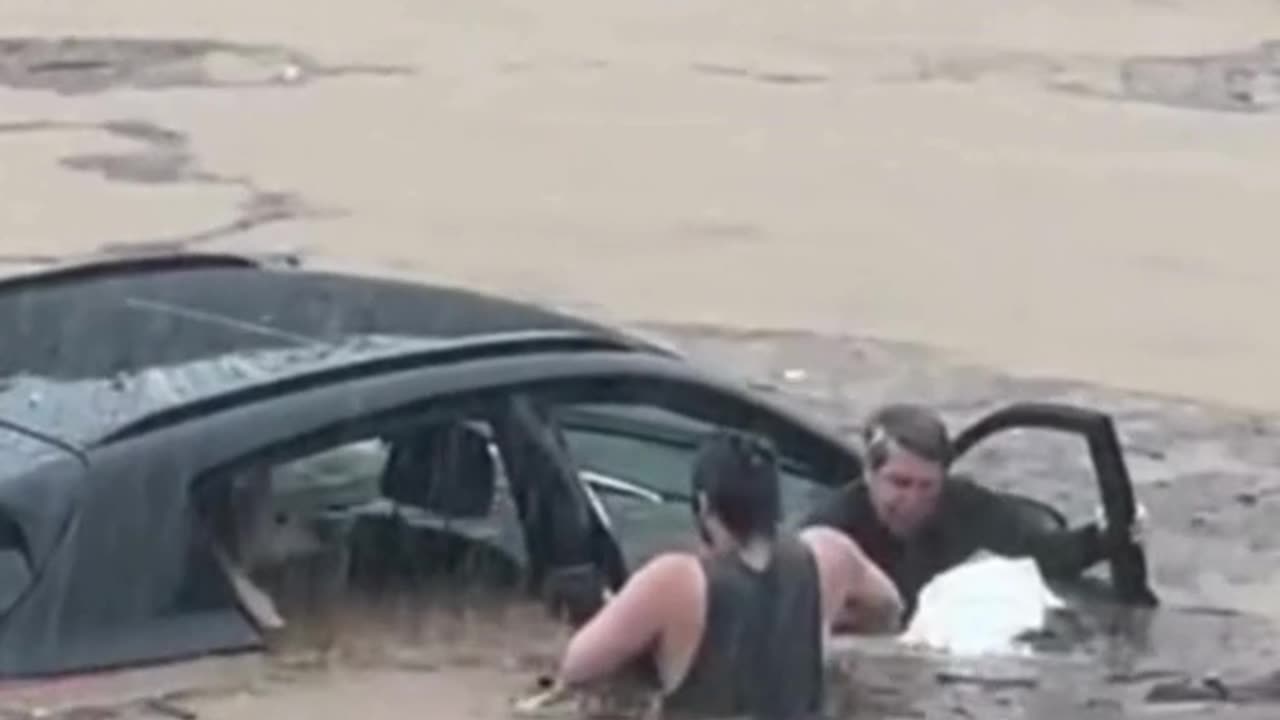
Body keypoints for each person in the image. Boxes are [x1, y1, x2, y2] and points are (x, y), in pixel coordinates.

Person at [524, 430, 904, 719]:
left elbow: (578, 666)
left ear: (704, 504)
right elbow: (889, 611)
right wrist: (822, 625)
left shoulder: (675, 580)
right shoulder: (827, 555)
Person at [802, 402, 1145, 622]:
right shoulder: (831, 530)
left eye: (927, 486)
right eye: (900, 483)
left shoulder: (963, 504)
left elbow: (1041, 554)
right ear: (869, 474)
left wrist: (1104, 536)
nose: (913, 500)